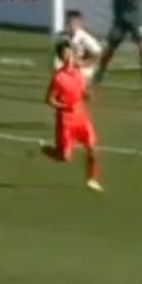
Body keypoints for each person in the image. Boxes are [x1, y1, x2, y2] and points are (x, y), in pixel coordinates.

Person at [42, 41, 103, 192]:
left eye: (71, 52)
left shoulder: (79, 72)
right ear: (61, 57)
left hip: (82, 117)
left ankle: (92, 179)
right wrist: (63, 107)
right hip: (66, 120)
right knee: (64, 157)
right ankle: (46, 149)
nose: (70, 56)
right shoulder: (58, 77)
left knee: (92, 149)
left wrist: (87, 95)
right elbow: (49, 99)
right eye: (66, 54)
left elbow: (84, 91)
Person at [54, 10, 103, 81]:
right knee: (57, 66)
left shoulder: (84, 37)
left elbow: (98, 54)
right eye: (67, 22)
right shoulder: (62, 36)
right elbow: (59, 54)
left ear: (79, 24)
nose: (68, 25)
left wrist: (83, 63)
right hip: (69, 66)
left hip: (82, 69)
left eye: (70, 23)